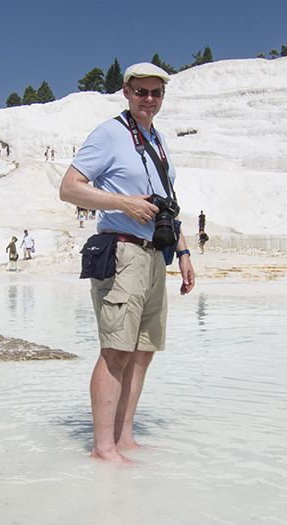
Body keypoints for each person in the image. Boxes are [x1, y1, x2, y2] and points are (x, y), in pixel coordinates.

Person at [59, 62, 195, 463]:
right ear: (126, 91)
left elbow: (168, 206)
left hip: (156, 256)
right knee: (116, 350)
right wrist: (123, 202)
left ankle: (125, 437)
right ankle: (103, 448)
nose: (148, 99)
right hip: (122, 252)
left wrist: (184, 253)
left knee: (143, 351)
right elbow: (69, 188)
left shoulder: (158, 140)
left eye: (156, 93)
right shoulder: (109, 134)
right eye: (141, 92)